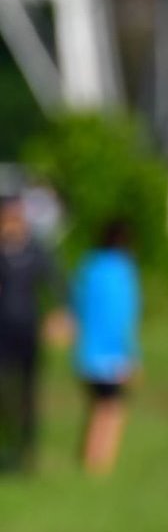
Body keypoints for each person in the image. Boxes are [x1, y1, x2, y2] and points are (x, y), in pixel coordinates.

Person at [71, 219, 141, 474]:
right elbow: (124, 317)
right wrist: (133, 355)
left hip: (87, 352)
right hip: (113, 353)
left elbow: (77, 305)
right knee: (113, 409)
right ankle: (103, 463)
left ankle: (90, 457)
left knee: (97, 406)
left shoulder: (89, 267)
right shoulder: (123, 271)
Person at [0, 194, 62, 472]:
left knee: (27, 393)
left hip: (26, 332)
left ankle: (26, 451)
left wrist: (61, 315)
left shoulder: (36, 250)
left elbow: (59, 284)